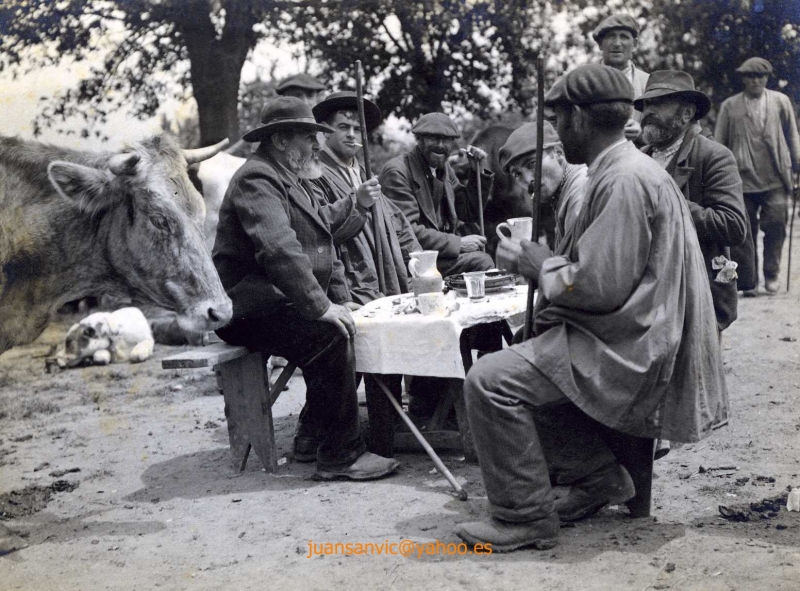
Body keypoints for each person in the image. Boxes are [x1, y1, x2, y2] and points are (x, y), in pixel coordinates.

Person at [454, 64, 728, 552]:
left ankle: (524, 516)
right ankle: (600, 481)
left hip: (632, 344)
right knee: (526, 350)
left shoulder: (622, 179)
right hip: (632, 330)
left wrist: (539, 264)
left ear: (579, 118)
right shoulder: (624, 169)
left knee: (489, 381)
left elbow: (599, 286)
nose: (557, 131)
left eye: (559, 120)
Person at [212, 96, 399, 481]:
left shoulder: (290, 177)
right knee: (328, 334)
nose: (317, 145)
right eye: (308, 137)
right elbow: (279, 248)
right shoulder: (257, 178)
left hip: (275, 300)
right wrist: (321, 306)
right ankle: (340, 457)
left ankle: (312, 437)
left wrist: (356, 207)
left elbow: (322, 231)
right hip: (245, 308)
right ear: (280, 140)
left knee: (341, 325)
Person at [290, 90, 422, 459]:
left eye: (357, 129)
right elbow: (317, 231)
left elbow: (394, 220)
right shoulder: (314, 175)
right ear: (323, 134)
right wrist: (356, 201)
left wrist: (417, 259)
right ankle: (312, 431)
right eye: (343, 127)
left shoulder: (361, 170)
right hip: (342, 280)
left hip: (380, 276)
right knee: (346, 355)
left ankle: (387, 424)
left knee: (393, 339)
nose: (352, 135)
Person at [636, 70, 748, 331]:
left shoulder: (713, 156)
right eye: (646, 104)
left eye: (659, 103)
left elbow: (733, 226)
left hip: (695, 293)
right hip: (645, 294)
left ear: (686, 113)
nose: (648, 111)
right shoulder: (639, 157)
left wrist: (671, 202)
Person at [715, 57, 800, 295]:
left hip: (776, 177)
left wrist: (797, 165)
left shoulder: (780, 102)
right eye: (750, 76)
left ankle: (771, 274)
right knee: (744, 231)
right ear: (742, 78)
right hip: (742, 180)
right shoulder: (730, 106)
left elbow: (792, 135)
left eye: (760, 76)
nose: (755, 80)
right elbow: (720, 143)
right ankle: (748, 281)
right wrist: (718, 175)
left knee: (776, 224)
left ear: (767, 78)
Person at [379, 112, 495, 278]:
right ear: (420, 139)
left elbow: (468, 212)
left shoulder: (444, 168)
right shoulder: (397, 172)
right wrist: (458, 243)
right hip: (412, 260)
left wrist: (478, 172)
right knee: (481, 262)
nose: (440, 145)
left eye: (447, 140)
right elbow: (405, 231)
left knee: (486, 260)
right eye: (434, 138)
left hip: (437, 255)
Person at [498, 121, 587, 247]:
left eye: (532, 164)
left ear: (558, 152)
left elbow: (587, 265)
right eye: (517, 174)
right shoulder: (565, 189)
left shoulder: (579, 190)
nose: (528, 180)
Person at [593, 14, 649, 142]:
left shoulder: (649, 83)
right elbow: (551, 122)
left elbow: (663, 129)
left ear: (634, 44)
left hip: (637, 158)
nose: (617, 44)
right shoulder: (582, 80)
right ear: (601, 44)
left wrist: (642, 134)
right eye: (611, 36)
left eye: (624, 37)